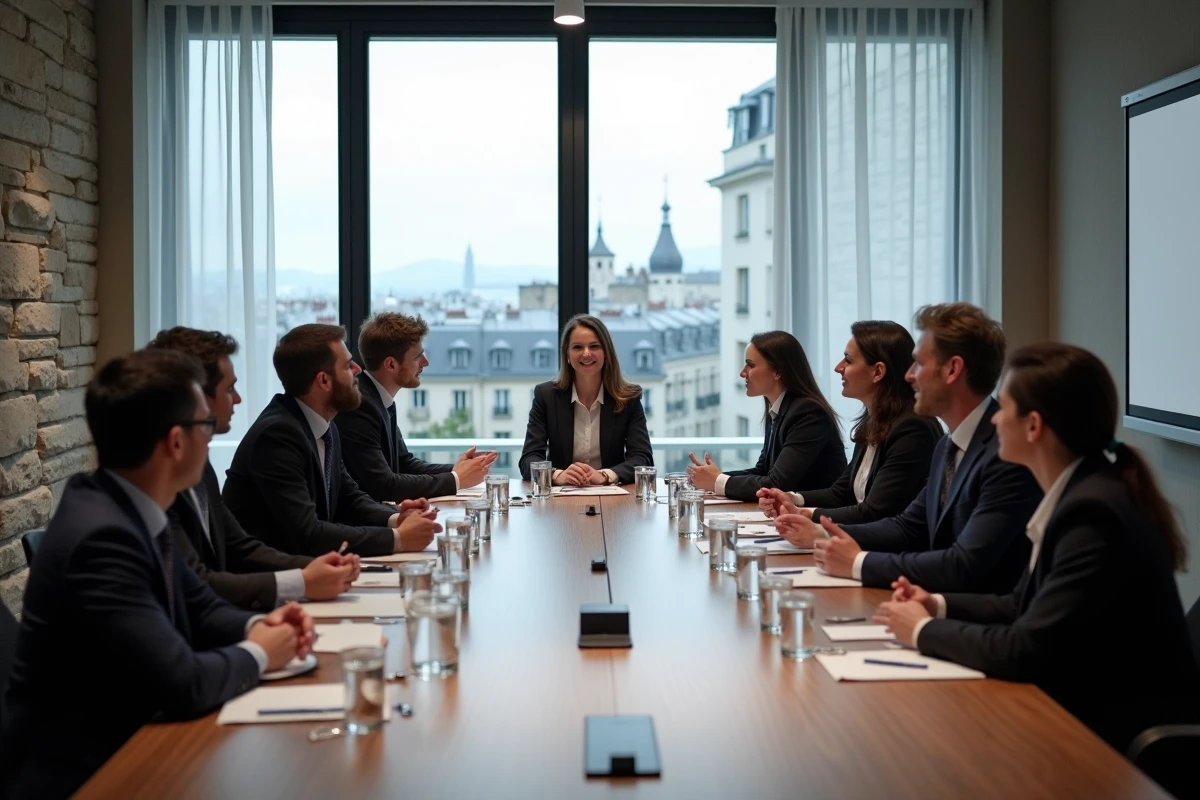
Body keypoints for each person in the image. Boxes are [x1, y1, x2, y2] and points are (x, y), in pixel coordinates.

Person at [0, 349, 313, 799]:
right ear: (176, 442)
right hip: (93, 775)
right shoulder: (101, 538)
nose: (211, 437)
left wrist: (261, 624)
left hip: (138, 743)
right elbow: (182, 683)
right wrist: (261, 653)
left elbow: (201, 608)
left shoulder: (129, 504)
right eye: (205, 425)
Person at [875, 343, 1199, 750]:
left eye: (1004, 407)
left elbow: (1025, 650)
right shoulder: (1083, 490)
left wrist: (921, 630)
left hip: (1114, 735)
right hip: (1080, 704)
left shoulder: (1093, 513)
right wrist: (936, 604)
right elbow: (1019, 603)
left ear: (1034, 426)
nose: (994, 418)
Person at [780, 303, 1042, 593]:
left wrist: (857, 564)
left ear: (953, 369)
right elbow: (908, 525)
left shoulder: (1006, 454)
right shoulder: (948, 445)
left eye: (919, 363)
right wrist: (822, 532)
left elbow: (963, 566)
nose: (908, 375)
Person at [147, 327, 360, 610]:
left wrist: (313, 569)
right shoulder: (155, 482)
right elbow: (195, 586)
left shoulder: (197, 461)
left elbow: (239, 546)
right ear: (198, 397)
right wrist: (303, 580)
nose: (238, 399)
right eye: (229, 388)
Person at [222, 324, 441, 557]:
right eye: (348, 365)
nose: (358, 369)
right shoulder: (277, 436)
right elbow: (308, 534)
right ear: (324, 381)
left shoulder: (325, 426)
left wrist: (396, 517)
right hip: (272, 579)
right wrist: (398, 539)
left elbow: (349, 499)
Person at [757, 321, 943, 524]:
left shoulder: (912, 429)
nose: (838, 368)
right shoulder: (874, 421)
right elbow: (841, 493)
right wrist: (793, 499)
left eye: (848, 360)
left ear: (878, 372)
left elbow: (874, 512)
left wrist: (807, 514)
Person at [338, 312, 497, 502]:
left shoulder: (378, 397)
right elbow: (383, 486)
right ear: (391, 364)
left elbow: (404, 463)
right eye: (418, 356)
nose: (426, 362)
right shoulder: (360, 405)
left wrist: (457, 469)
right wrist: (456, 479)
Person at [687, 331, 846, 501]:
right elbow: (763, 471)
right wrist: (711, 478)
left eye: (750, 365)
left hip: (818, 519)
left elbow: (776, 483)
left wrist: (717, 481)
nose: (742, 372)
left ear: (777, 371)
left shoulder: (808, 412)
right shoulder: (779, 408)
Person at [518, 314, 652, 485]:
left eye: (594, 346)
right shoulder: (546, 396)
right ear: (567, 353)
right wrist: (557, 475)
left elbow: (643, 458)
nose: (586, 353)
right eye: (577, 347)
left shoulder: (627, 398)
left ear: (606, 352)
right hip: (561, 500)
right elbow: (528, 459)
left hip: (613, 499)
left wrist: (605, 475)